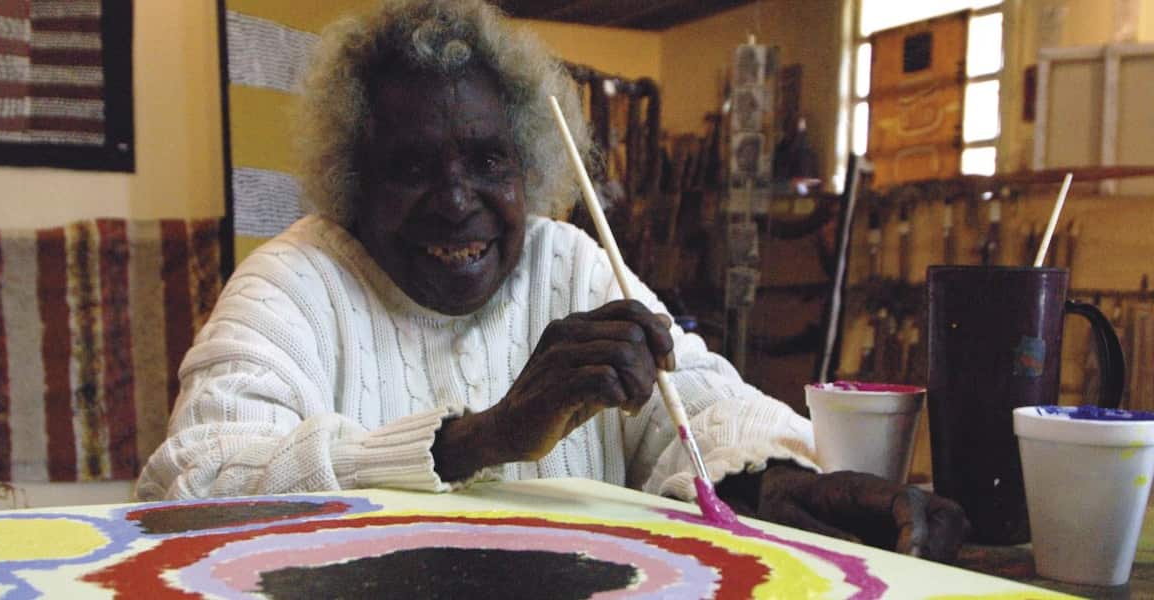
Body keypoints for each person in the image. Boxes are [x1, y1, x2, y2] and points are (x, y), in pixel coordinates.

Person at [138, 0, 965, 561]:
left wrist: (783, 482)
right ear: (354, 183)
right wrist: (478, 439)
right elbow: (192, 482)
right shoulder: (295, 282)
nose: (456, 200)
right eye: (413, 166)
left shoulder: (564, 261)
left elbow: (701, 403)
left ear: (530, 164)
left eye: (488, 159)